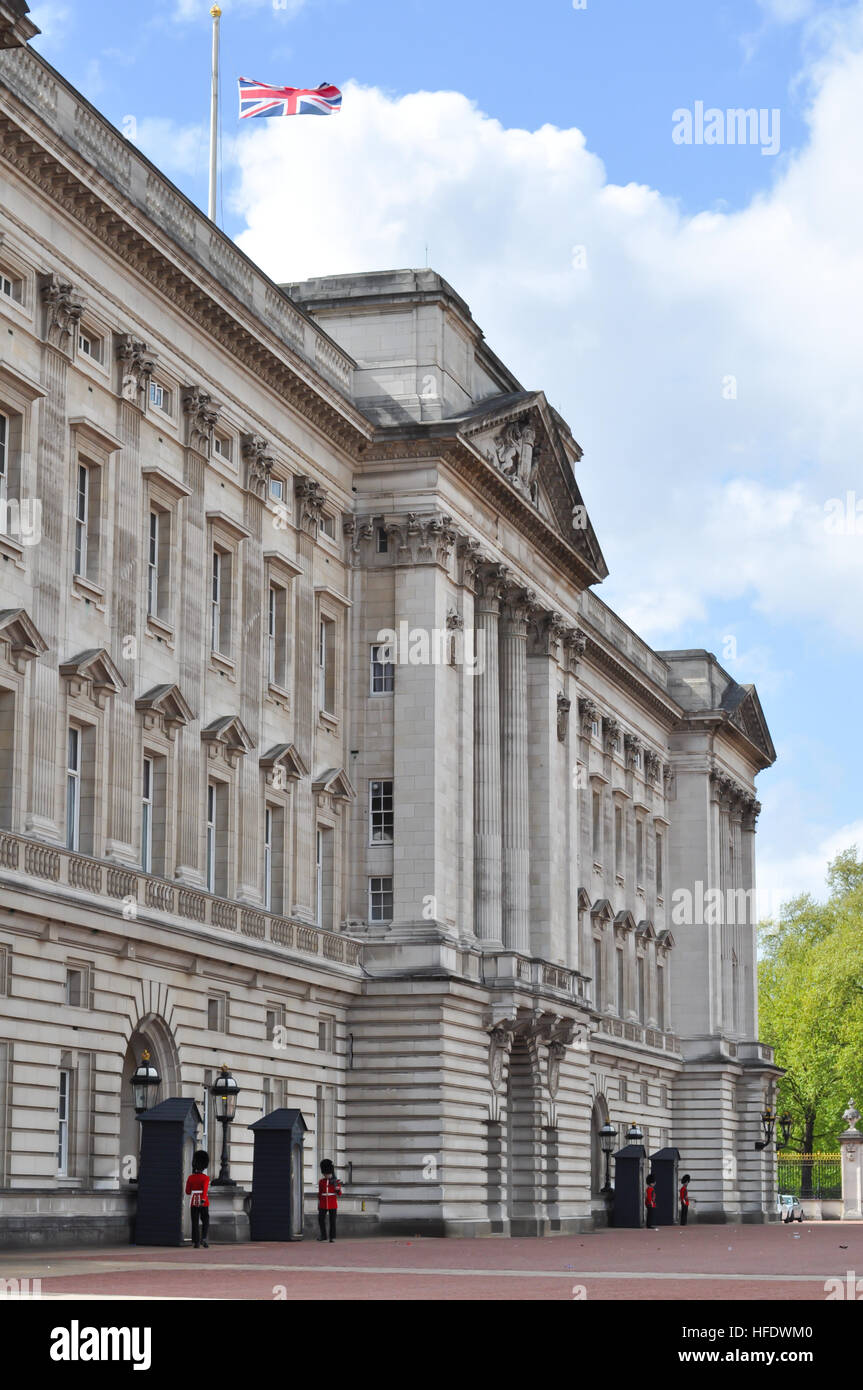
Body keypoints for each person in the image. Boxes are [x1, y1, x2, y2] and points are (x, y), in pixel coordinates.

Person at [186, 1149, 210, 1249]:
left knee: (195, 1222)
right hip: (203, 1201)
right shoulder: (205, 1178)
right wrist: (203, 1199)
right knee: (205, 1220)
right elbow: (205, 1189)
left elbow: (187, 1191)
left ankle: (196, 1242)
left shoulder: (190, 1177)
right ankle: (204, 1238)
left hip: (193, 1201)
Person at [317, 1158, 342, 1243]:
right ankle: (323, 1236)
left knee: (332, 1221)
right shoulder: (321, 1181)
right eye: (325, 1174)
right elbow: (320, 1193)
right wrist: (319, 1203)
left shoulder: (336, 1181)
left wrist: (337, 1188)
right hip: (323, 1203)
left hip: (332, 1203)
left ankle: (332, 1237)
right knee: (321, 1219)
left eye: (328, 1173)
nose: (326, 1175)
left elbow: (339, 1194)